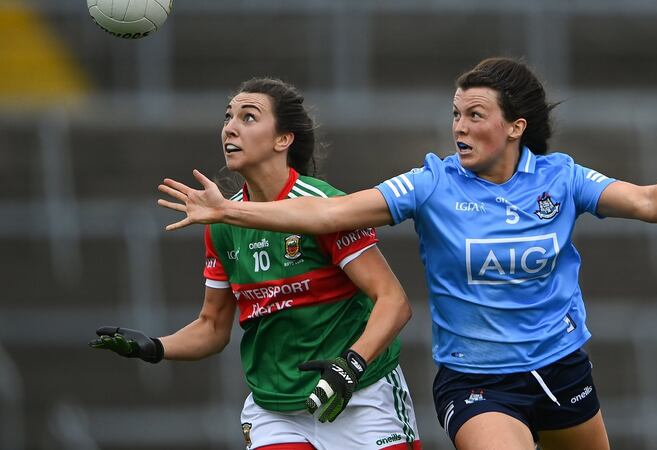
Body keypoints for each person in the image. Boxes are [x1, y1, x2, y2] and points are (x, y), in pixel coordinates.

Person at [156, 58, 657, 450]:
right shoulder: (431, 183)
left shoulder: (558, 178)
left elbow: (647, 200)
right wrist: (229, 209)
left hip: (561, 369)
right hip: (476, 382)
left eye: (475, 115)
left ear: (515, 126)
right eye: (455, 114)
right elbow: (327, 212)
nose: (459, 127)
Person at [90, 77, 422, 450]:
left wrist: (351, 364)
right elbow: (212, 326)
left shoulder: (324, 208)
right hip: (275, 411)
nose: (230, 127)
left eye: (248, 117)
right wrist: (154, 347)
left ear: (283, 139)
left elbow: (393, 302)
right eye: (228, 116)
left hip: (359, 397)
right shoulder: (222, 225)